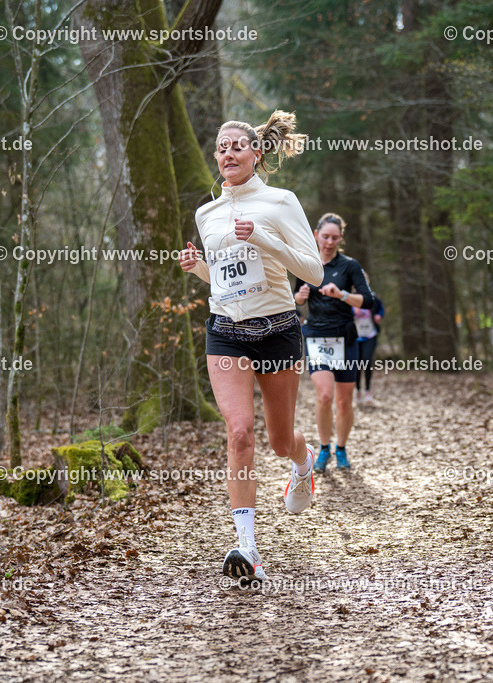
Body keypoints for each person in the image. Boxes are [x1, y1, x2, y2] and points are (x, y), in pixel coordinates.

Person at [178, 111, 323, 584]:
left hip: (278, 328)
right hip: (226, 330)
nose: (228, 154)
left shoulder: (281, 202)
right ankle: (247, 548)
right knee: (239, 432)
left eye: (238, 146)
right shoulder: (207, 213)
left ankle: (303, 465)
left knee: (280, 441)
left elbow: (313, 273)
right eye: (221, 147)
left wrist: (261, 237)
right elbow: (225, 280)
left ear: (257, 154)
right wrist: (199, 267)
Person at [293, 213, 373, 473]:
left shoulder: (349, 266)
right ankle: (324, 447)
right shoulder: (306, 263)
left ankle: (341, 448)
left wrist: (343, 294)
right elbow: (295, 299)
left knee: (343, 402)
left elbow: (368, 300)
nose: (329, 242)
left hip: (345, 337)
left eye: (334, 237)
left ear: (341, 238)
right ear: (316, 235)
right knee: (325, 395)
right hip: (317, 336)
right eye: (325, 236)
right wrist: (299, 297)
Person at [353, 277, 384, 405]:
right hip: (355, 336)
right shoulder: (348, 298)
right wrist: (352, 310)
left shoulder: (372, 297)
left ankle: (368, 391)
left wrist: (378, 315)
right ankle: (357, 391)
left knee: (366, 361)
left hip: (370, 334)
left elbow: (380, 308)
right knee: (356, 364)